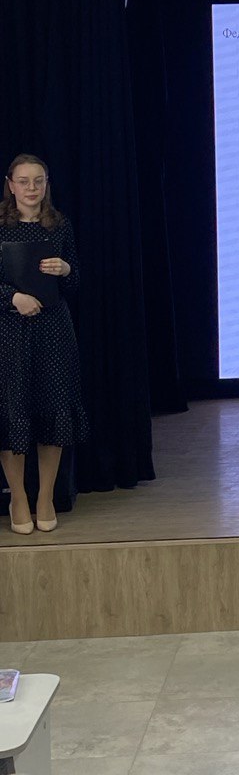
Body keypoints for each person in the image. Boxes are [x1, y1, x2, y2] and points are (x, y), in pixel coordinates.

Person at [0, 154, 88, 534]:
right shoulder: (0, 226)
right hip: (9, 331)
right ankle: (18, 497)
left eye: (38, 180)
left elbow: (75, 281)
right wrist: (12, 298)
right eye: (23, 181)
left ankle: (46, 496)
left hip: (52, 330)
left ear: (47, 183)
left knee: (53, 410)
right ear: (10, 185)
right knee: (12, 411)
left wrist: (65, 269)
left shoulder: (59, 225)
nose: (31, 188)